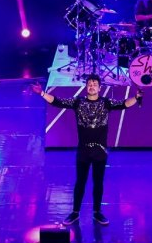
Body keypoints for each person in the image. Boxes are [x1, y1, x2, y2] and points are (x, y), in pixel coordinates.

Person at [32, 74, 141, 225]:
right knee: (80, 182)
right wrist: (42, 93)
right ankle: (75, 212)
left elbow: (124, 104)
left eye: (95, 84)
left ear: (99, 88)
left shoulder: (106, 103)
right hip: (83, 150)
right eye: (89, 84)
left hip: (100, 151)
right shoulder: (78, 102)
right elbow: (58, 102)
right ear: (86, 87)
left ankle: (97, 212)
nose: (92, 86)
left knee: (98, 183)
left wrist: (136, 97)